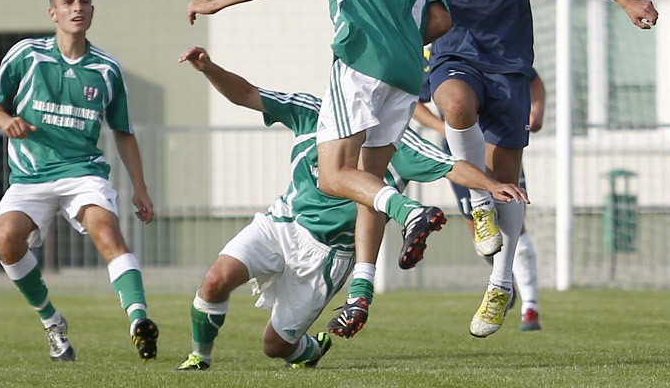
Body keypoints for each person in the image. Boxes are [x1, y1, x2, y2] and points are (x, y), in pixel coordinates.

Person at [187, 0, 451, 334]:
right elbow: (440, 21)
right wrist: (402, 40)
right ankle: (362, 290)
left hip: (359, 62)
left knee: (333, 175)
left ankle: (410, 211)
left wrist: (216, 3)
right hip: (409, 73)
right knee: (367, 181)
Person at [411, 0, 659, 338]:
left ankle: (502, 285)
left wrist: (626, 0)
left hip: (510, 71)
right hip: (454, 58)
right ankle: (478, 205)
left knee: (510, 187)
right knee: (454, 104)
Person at [175, 46, 528, 370]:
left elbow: (450, 164)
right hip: (282, 224)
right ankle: (199, 358)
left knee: (275, 346)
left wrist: (492, 184)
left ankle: (309, 350)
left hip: (328, 255)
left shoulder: (397, 142)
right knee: (215, 280)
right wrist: (209, 69)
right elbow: (248, 93)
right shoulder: (310, 111)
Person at [0, 0, 159, 362]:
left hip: (82, 173)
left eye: (85, 1)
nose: (78, 7)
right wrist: (6, 121)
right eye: (69, 1)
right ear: (53, 12)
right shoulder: (28, 55)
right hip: (30, 176)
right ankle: (52, 322)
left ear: (93, 9)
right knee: (7, 239)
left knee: (106, 229)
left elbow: (123, 132)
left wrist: (140, 187)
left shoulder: (107, 69)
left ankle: (139, 321)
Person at [414, 63, 546, 331]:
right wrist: (443, 126)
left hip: (496, 137)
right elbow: (413, 101)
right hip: (458, 148)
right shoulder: (434, 51)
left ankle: (528, 306)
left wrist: (537, 111)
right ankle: (503, 275)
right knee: (482, 235)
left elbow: (534, 81)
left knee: (511, 208)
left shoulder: (501, 43)